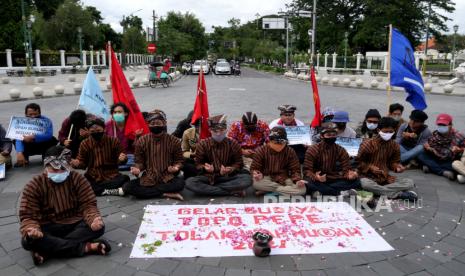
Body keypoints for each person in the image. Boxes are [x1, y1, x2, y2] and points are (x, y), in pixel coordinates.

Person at [19, 146, 110, 266]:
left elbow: (88, 204)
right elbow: (28, 215)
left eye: (63, 169)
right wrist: (32, 229)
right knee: (28, 241)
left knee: (99, 228)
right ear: (46, 167)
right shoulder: (34, 185)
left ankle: (48, 251)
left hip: (75, 222)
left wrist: (93, 219)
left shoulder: (78, 179)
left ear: (68, 166)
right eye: (54, 169)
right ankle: (86, 247)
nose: (59, 173)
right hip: (48, 225)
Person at [124, 110, 185, 200]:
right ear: (148, 125)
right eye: (152, 123)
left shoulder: (174, 140)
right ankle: (165, 194)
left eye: (158, 123)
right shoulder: (142, 140)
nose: (155, 125)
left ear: (164, 123)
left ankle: (152, 192)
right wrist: (137, 169)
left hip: (167, 177)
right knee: (127, 187)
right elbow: (139, 162)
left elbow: (179, 160)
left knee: (180, 184)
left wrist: (176, 167)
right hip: (148, 177)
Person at [186, 114, 253, 197]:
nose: (218, 134)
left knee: (247, 179)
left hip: (228, 177)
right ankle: (230, 192)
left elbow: (239, 163)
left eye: (221, 130)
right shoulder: (202, 144)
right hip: (209, 177)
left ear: (226, 130)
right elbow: (198, 164)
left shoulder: (233, 144)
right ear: (210, 130)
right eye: (215, 131)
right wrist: (205, 168)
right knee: (190, 182)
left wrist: (230, 169)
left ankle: (210, 189)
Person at [358, 117, 417, 205]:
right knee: (365, 184)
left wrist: (397, 167)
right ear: (378, 130)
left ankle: (376, 192)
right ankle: (397, 194)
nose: (388, 134)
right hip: (367, 177)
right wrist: (370, 167)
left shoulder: (394, 145)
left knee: (409, 182)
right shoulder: (367, 144)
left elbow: (393, 163)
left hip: (385, 178)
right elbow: (358, 163)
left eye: (391, 132)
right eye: (386, 132)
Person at [70, 117, 129, 196]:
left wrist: (123, 159)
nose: (96, 133)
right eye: (92, 131)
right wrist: (75, 163)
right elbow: (82, 163)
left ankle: (101, 191)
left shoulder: (114, 141)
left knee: (125, 179)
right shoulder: (84, 144)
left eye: (98, 131)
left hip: (111, 175)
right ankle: (109, 191)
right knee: (79, 184)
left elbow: (121, 159)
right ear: (88, 131)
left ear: (104, 129)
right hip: (93, 176)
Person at [304, 123, 361, 197]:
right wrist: (316, 177)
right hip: (317, 178)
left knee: (356, 181)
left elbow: (346, 167)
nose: (331, 137)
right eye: (328, 135)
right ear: (322, 136)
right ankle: (339, 193)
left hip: (333, 177)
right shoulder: (312, 149)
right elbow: (307, 170)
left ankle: (321, 191)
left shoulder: (340, 149)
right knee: (307, 182)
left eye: (333, 135)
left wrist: (350, 174)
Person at [251, 127, 306, 196]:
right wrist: (257, 174)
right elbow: (255, 168)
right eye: (275, 142)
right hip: (266, 177)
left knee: (302, 189)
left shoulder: (290, 151)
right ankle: (284, 190)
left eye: (281, 142)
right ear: (270, 141)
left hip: (284, 178)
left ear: (285, 141)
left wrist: (297, 180)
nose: (278, 145)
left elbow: (295, 169)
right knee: (255, 183)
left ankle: (270, 191)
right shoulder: (261, 150)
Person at [417, 113, 465, 180]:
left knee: (455, 165)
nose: (441, 126)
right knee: (420, 154)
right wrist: (428, 147)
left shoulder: (459, 136)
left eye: (444, 125)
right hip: (435, 157)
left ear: (450, 125)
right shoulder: (435, 134)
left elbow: (463, 150)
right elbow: (428, 144)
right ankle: (442, 172)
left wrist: (459, 150)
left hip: (449, 160)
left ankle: (430, 167)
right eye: (440, 125)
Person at [105, 103, 143, 170]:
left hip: (128, 156)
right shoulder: (108, 126)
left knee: (137, 160)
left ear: (126, 113)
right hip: (113, 155)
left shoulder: (132, 126)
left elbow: (136, 147)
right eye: (115, 112)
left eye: (119, 112)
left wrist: (137, 137)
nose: (117, 114)